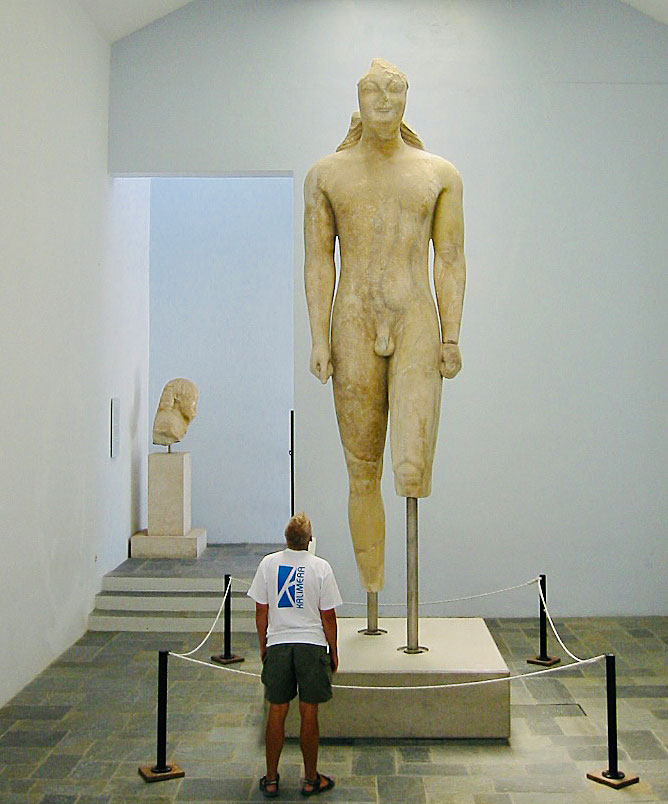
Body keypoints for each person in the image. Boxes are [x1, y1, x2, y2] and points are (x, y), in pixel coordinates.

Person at [304, 59, 466, 592]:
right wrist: (318, 336)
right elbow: (318, 261)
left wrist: (450, 335)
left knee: (411, 470)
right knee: (362, 470)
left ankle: (402, 607)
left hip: (415, 318)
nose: (383, 101)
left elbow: (449, 258)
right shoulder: (327, 174)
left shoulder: (437, 174)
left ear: (406, 99)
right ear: (359, 98)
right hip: (351, 323)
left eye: (394, 91)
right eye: (373, 91)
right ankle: (372, 594)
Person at [248, 513, 342, 798]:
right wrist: (333, 650)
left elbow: (261, 611)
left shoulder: (268, 564)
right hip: (311, 646)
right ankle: (311, 778)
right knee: (308, 711)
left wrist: (264, 644)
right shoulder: (321, 568)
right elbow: (329, 617)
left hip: (279, 644)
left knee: (277, 709)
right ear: (310, 540)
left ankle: (272, 777)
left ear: (286, 538)